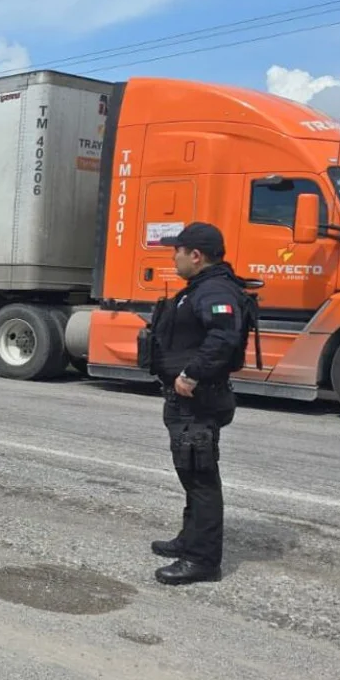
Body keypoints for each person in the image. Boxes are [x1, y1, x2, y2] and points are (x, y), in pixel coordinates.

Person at [146, 221, 251, 585]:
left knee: (201, 476)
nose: (173, 258)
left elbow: (223, 338)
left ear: (195, 255)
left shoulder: (215, 289)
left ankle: (202, 560)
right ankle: (189, 539)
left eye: (177, 251)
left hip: (199, 398)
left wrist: (191, 374)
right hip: (186, 400)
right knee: (190, 472)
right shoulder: (201, 288)